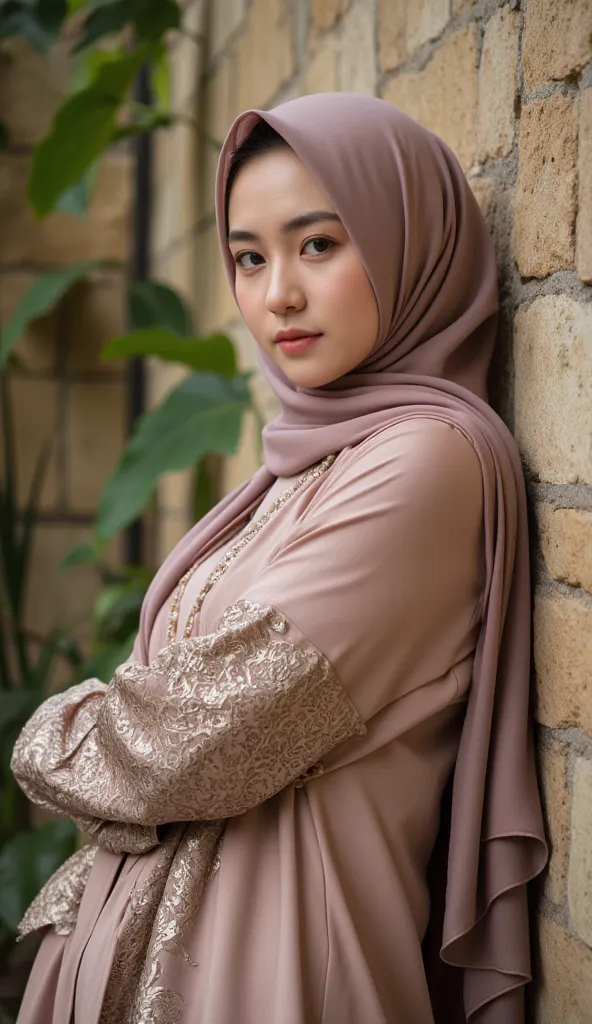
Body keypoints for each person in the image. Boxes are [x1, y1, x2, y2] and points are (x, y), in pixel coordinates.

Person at [12, 93, 546, 1024]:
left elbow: (189, 743)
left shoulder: (426, 462)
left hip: (278, 979)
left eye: (318, 245)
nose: (277, 296)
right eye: (249, 258)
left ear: (406, 240)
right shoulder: (305, 461)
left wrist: (49, 741)